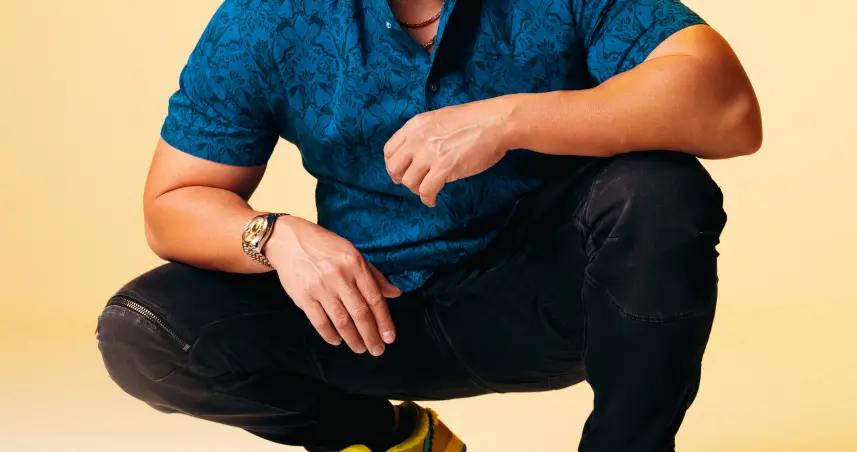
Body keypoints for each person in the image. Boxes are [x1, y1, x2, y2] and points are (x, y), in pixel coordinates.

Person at [95, 0, 761, 450]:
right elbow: (172, 202)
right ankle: (394, 440)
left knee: (660, 187)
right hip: (368, 319)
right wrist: (275, 237)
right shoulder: (268, 15)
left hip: (548, 301)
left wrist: (510, 119)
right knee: (144, 328)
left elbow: (727, 108)